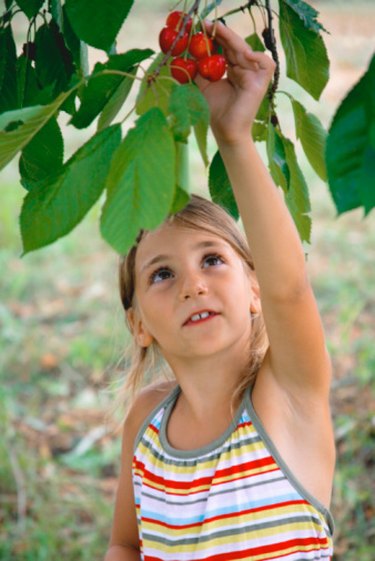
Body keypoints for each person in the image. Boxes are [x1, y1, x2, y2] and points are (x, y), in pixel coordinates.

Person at [104, 21, 336, 561]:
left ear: (254, 288)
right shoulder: (147, 422)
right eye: (162, 274)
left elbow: (291, 291)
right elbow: (125, 543)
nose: (194, 285)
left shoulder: (288, 398)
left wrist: (233, 134)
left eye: (212, 259)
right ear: (138, 324)